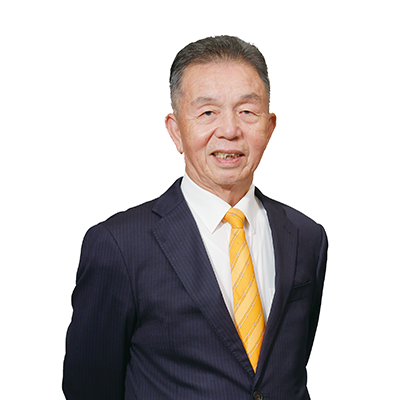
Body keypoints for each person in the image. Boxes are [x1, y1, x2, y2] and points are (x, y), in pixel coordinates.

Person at [62, 35, 328, 400]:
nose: (230, 130)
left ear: (269, 126)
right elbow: (88, 388)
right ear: (176, 131)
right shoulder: (119, 245)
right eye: (207, 113)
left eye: (247, 112)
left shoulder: (306, 236)